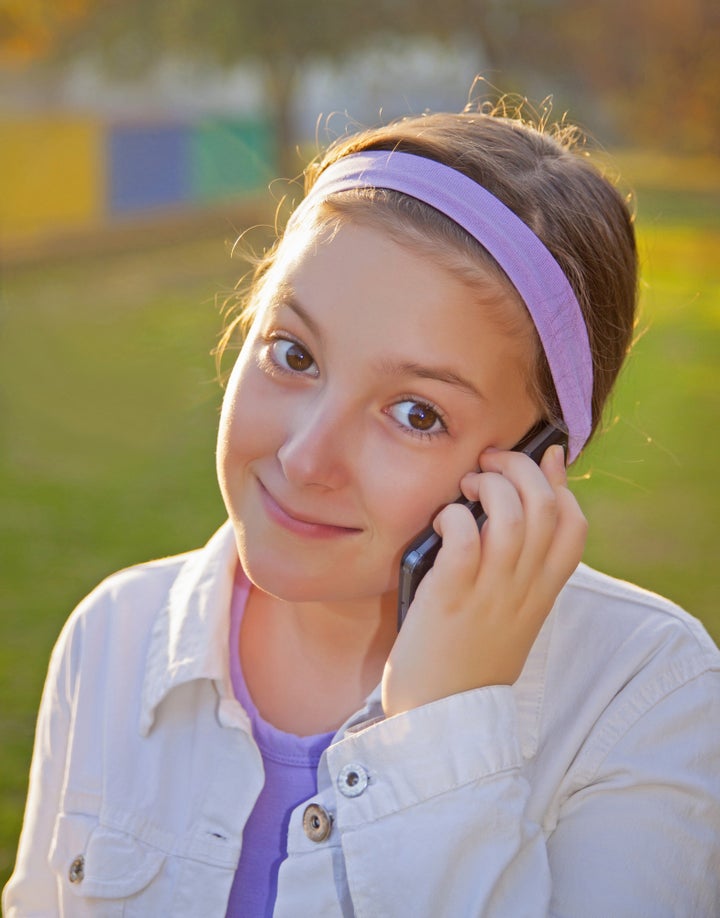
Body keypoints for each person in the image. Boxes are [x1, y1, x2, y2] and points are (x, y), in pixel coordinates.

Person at [4, 100, 720, 917]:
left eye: (416, 413)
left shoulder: (646, 696)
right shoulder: (114, 637)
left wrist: (443, 725)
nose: (306, 457)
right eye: (294, 354)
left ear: (534, 467)